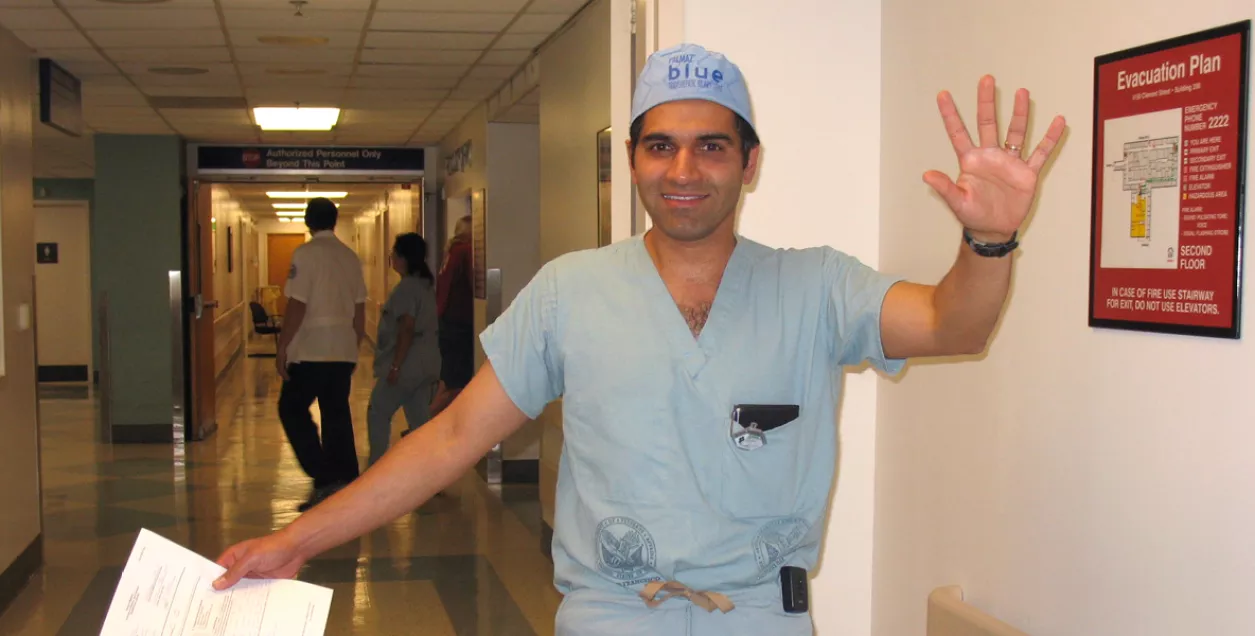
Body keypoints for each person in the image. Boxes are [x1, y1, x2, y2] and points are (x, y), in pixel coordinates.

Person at [212, 43, 1065, 635]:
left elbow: (954, 322)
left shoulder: (817, 288)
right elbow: (449, 439)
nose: (683, 171)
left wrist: (988, 241)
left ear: (750, 162)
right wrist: (297, 538)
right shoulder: (570, 293)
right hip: (612, 616)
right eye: (661, 147)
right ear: (632, 159)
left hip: (761, 616)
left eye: (711, 147)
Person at [273, 197, 368, 513]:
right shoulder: (350, 257)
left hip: (312, 350)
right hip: (342, 349)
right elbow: (359, 308)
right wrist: (352, 345)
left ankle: (324, 474)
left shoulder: (305, 254)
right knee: (336, 413)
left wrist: (283, 346)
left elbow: (297, 304)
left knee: (291, 408)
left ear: (308, 221)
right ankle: (345, 480)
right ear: (335, 221)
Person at [367, 232, 442, 465]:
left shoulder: (406, 289)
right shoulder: (425, 285)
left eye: (394, 253)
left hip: (409, 363)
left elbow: (406, 329)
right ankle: (429, 469)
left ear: (403, 258)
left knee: (378, 410)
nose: (392, 257)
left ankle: (377, 466)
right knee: (419, 418)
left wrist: (396, 366)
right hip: (428, 361)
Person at [428, 215, 475, 416]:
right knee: (457, 384)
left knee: (446, 380)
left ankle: (424, 421)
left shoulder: (451, 251)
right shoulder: (466, 251)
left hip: (446, 322)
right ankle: (423, 423)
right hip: (460, 325)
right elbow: (473, 283)